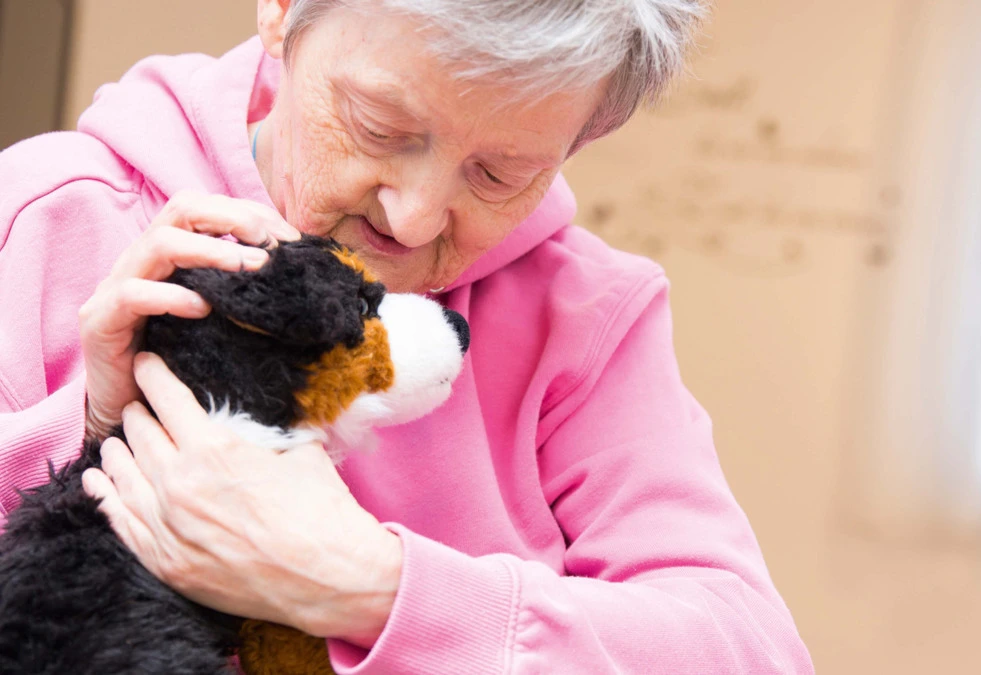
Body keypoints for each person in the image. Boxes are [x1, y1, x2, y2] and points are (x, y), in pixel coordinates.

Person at [0, 0, 813, 672]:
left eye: (499, 175)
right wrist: (91, 436)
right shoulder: (47, 216)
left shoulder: (587, 316)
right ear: (281, 12)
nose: (414, 218)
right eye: (380, 127)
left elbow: (747, 647)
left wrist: (370, 585)